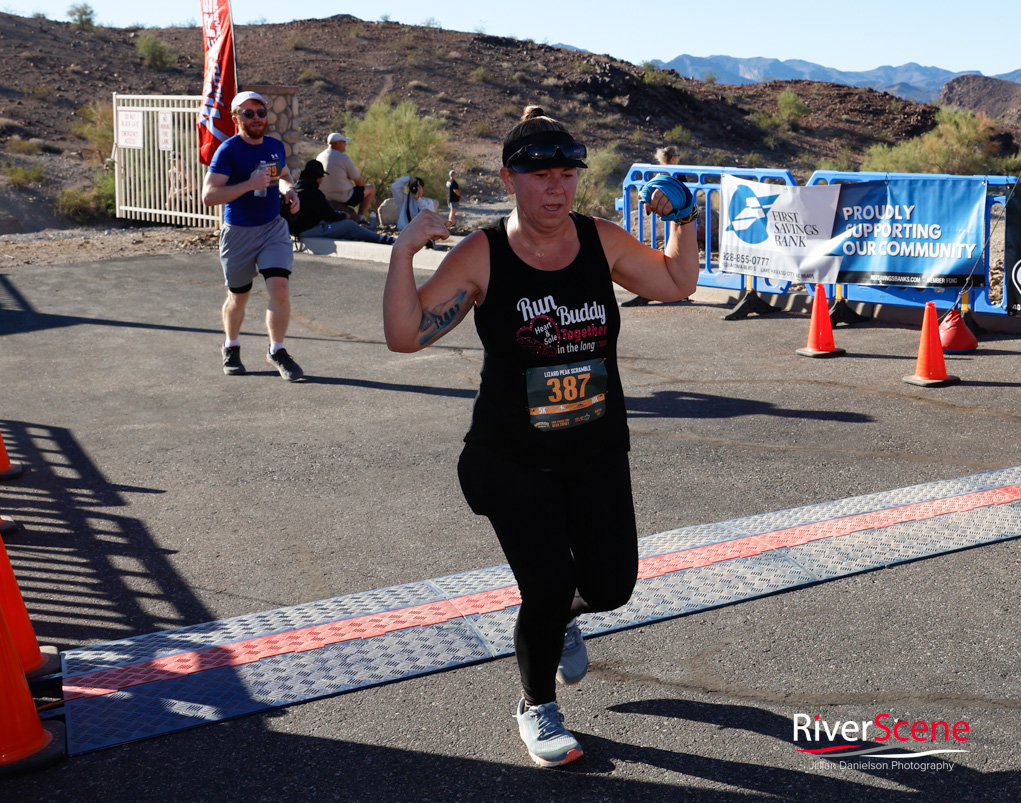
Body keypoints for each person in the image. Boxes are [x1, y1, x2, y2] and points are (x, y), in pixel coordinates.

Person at [382, 106, 699, 768]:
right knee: (549, 581)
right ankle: (536, 704)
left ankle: (558, 618)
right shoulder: (483, 253)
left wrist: (684, 222)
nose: (555, 189)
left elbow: (675, 282)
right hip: (508, 456)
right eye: (539, 176)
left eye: (566, 175)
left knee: (611, 585)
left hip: (594, 447)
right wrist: (404, 251)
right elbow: (405, 334)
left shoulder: (600, 240)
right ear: (509, 178)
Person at [201, 90, 304, 382]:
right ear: (236, 118)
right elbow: (208, 196)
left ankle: (277, 350)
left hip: (272, 228)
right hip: (239, 234)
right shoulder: (229, 150)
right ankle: (231, 346)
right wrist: (248, 184)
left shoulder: (274, 146)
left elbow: (282, 176)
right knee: (238, 296)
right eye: (248, 113)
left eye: (260, 113)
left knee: (280, 289)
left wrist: (289, 191)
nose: (257, 118)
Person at [623, 144, 685, 307]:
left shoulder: (659, 174)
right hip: (678, 218)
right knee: (675, 254)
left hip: (661, 217)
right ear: (673, 158)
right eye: (677, 155)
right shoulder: (678, 173)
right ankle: (676, 290)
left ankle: (652, 291)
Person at [289, 160, 396, 245]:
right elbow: (330, 216)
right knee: (349, 225)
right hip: (309, 230)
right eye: (322, 176)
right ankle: (382, 239)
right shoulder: (314, 192)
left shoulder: (295, 189)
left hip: (296, 230)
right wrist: (344, 215)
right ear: (317, 177)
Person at [316, 132, 376, 222]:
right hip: (343, 196)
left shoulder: (320, 156)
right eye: (343, 142)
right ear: (336, 144)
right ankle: (360, 218)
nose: (345, 144)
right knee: (371, 189)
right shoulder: (343, 157)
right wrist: (361, 189)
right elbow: (358, 181)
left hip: (324, 196)